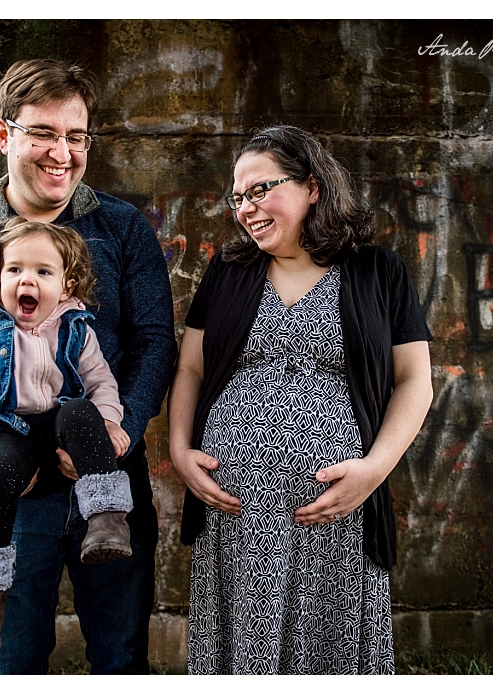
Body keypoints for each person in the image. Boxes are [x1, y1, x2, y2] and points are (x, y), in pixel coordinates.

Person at [0, 59, 176, 674]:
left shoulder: (122, 229)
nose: (62, 153)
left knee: (121, 659)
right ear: (4, 134)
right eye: (44, 134)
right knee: (15, 661)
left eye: (76, 136)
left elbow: (154, 343)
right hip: (10, 488)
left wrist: (120, 431)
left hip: (107, 478)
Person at [169, 125, 434, 675]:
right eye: (238, 197)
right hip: (238, 514)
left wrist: (374, 471)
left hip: (336, 509)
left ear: (313, 187)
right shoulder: (228, 270)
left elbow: (414, 381)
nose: (246, 207)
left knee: (329, 647)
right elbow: (191, 367)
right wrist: (178, 449)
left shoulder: (377, 270)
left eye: (260, 190)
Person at [0, 219, 135, 653]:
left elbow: (101, 382)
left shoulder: (77, 329)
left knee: (82, 410)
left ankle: (107, 520)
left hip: (65, 426)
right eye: (15, 270)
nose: (26, 280)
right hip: (11, 429)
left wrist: (110, 423)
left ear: (66, 286)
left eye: (43, 272)